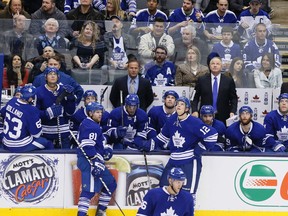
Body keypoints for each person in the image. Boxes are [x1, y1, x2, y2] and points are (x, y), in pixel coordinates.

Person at [136, 96, 218, 202]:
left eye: (182, 104)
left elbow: (213, 135)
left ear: (187, 109)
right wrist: (148, 144)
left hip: (190, 162)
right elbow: (161, 138)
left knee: (188, 196)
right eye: (177, 103)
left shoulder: (194, 122)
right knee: (164, 189)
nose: (178, 105)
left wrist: (200, 147)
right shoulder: (171, 121)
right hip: (173, 160)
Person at [76, 101, 116, 216]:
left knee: (110, 184)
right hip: (88, 161)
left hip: (95, 161)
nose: (100, 114)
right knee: (88, 191)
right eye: (97, 112)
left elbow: (98, 143)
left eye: (101, 112)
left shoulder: (93, 124)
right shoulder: (90, 125)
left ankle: (100, 211)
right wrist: (95, 161)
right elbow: (87, 145)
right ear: (90, 113)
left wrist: (105, 149)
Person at [1, 85, 54, 152]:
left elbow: (3, 112)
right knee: (48, 143)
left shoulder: (12, 101)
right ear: (30, 99)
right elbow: (36, 134)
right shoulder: (31, 110)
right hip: (21, 145)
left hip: (6, 142)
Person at [35, 67, 77, 149]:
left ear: (58, 77)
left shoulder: (64, 90)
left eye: (55, 74)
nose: (53, 76)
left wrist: (71, 99)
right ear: (45, 77)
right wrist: (47, 113)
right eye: (50, 74)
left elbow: (70, 113)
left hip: (63, 134)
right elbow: (34, 113)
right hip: (46, 135)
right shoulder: (38, 91)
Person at [191, 53, 238, 125]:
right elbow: (194, 98)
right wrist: (194, 110)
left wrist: (232, 112)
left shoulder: (228, 81)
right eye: (213, 63)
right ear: (209, 66)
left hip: (223, 116)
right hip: (205, 116)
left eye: (217, 64)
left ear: (221, 66)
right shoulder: (201, 80)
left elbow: (234, 98)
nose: (215, 65)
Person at [102, 15, 136, 83]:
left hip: (126, 64)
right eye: (112, 22)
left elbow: (133, 54)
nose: (114, 24)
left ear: (121, 25)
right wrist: (111, 62)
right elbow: (104, 53)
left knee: (133, 68)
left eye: (117, 22)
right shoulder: (106, 37)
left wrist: (128, 64)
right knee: (104, 68)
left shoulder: (129, 38)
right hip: (111, 64)